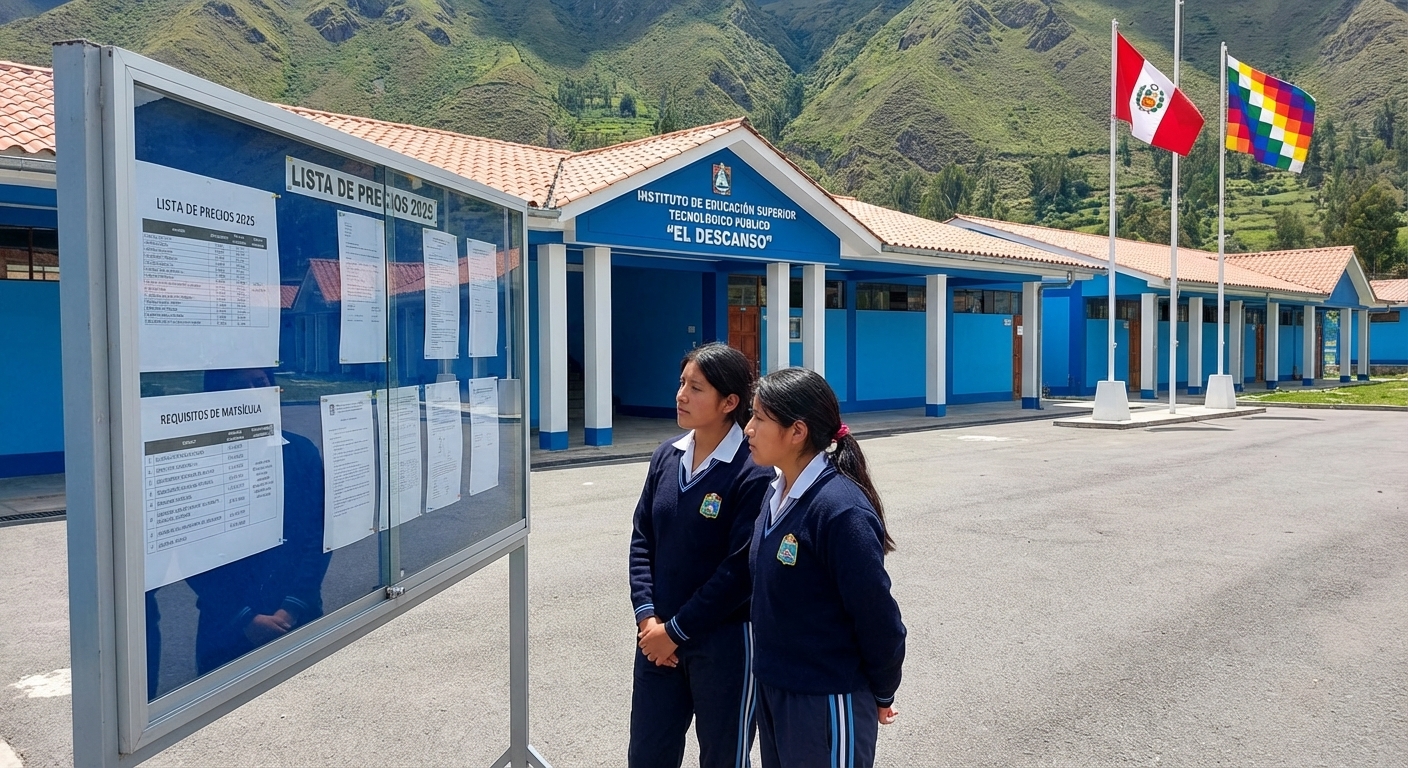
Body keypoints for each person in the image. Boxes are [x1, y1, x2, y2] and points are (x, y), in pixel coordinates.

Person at [744, 367, 906, 768]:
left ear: (797, 431)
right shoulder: (776, 493)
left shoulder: (839, 509)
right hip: (776, 690)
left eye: (759, 418)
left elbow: (878, 617)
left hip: (826, 700)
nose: (748, 429)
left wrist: (883, 690)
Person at [629, 343, 775, 768]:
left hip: (725, 644)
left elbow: (739, 571)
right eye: (682, 383)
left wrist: (676, 630)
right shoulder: (666, 455)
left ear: (730, 402)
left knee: (723, 758)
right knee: (647, 755)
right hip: (657, 640)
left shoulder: (753, 470)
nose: (681, 395)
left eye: (696, 388)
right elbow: (642, 539)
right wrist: (648, 618)